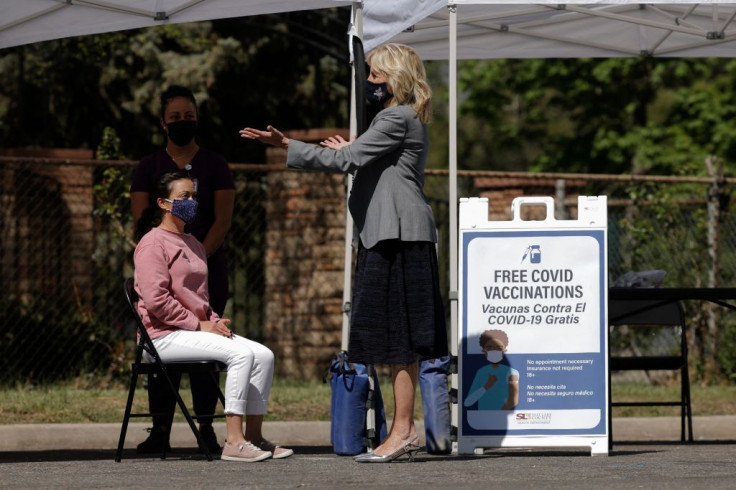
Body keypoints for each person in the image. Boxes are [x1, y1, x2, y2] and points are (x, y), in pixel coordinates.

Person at [240, 43, 448, 463]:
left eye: (375, 75)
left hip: (399, 236)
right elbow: (361, 157)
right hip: (387, 234)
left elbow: (348, 160)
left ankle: (404, 431)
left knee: (401, 338)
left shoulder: (394, 117)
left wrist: (287, 144)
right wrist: (349, 150)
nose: (369, 82)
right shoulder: (398, 119)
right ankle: (403, 431)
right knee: (392, 338)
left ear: (395, 78)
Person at [133, 170, 292, 462]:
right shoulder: (152, 243)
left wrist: (213, 320)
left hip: (192, 331)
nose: (191, 202)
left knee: (264, 355)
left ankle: (255, 437)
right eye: (183, 197)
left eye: (194, 196)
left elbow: (200, 297)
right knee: (241, 355)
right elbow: (156, 301)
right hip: (161, 337)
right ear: (163, 203)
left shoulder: (193, 242)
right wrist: (199, 324)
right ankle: (234, 441)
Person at [130, 85, 235, 454]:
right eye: (174, 117)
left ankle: (205, 426)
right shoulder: (148, 167)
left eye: (188, 116)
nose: (182, 122)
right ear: (163, 123)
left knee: (208, 350)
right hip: (164, 269)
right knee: (165, 355)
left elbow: (222, 220)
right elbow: (142, 219)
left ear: (197, 119)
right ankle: (160, 430)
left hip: (207, 272)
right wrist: (171, 260)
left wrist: (195, 259)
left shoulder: (215, 165)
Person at [464, 329, 519, 410]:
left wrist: (498, 414)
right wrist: (487, 386)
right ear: (483, 351)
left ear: (505, 350)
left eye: (499, 348)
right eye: (489, 348)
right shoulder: (481, 372)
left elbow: (513, 400)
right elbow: (468, 402)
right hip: (483, 419)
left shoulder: (512, 372)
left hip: (503, 418)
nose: (494, 351)